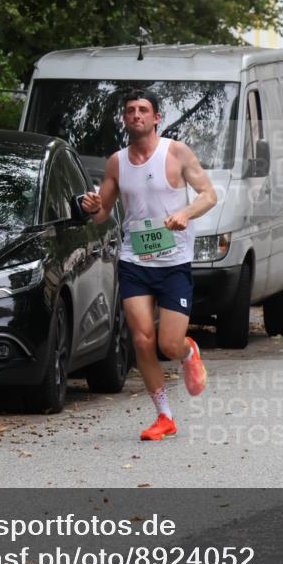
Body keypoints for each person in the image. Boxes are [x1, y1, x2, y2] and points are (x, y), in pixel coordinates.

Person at [81, 89, 217, 440]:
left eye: (143, 110)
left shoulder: (176, 152)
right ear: (124, 119)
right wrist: (92, 206)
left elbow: (209, 195)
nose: (136, 115)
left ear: (156, 118)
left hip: (173, 263)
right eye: (130, 110)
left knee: (168, 345)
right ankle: (164, 416)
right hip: (135, 261)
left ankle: (188, 351)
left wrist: (185, 213)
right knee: (142, 341)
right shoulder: (117, 162)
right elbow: (102, 213)